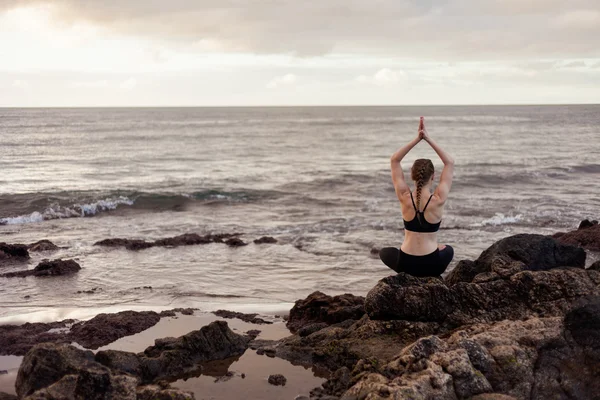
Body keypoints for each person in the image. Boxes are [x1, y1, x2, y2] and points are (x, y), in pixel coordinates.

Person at [379, 117, 455, 277]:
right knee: (449, 250)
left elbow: (394, 160)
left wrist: (416, 139)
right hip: (432, 265)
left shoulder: (404, 196)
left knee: (384, 252)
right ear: (433, 176)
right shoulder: (438, 198)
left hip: (405, 264)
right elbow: (449, 162)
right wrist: (427, 138)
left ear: (412, 175)